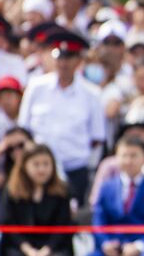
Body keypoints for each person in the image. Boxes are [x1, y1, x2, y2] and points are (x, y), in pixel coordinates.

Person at [17, 29, 106, 203]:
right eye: (60, 57)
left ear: (79, 60)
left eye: (69, 57)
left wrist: (86, 165)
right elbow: (24, 129)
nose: (63, 63)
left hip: (74, 169)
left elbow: (97, 138)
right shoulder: (36, 86)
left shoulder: (92, 94)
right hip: (37, 169)